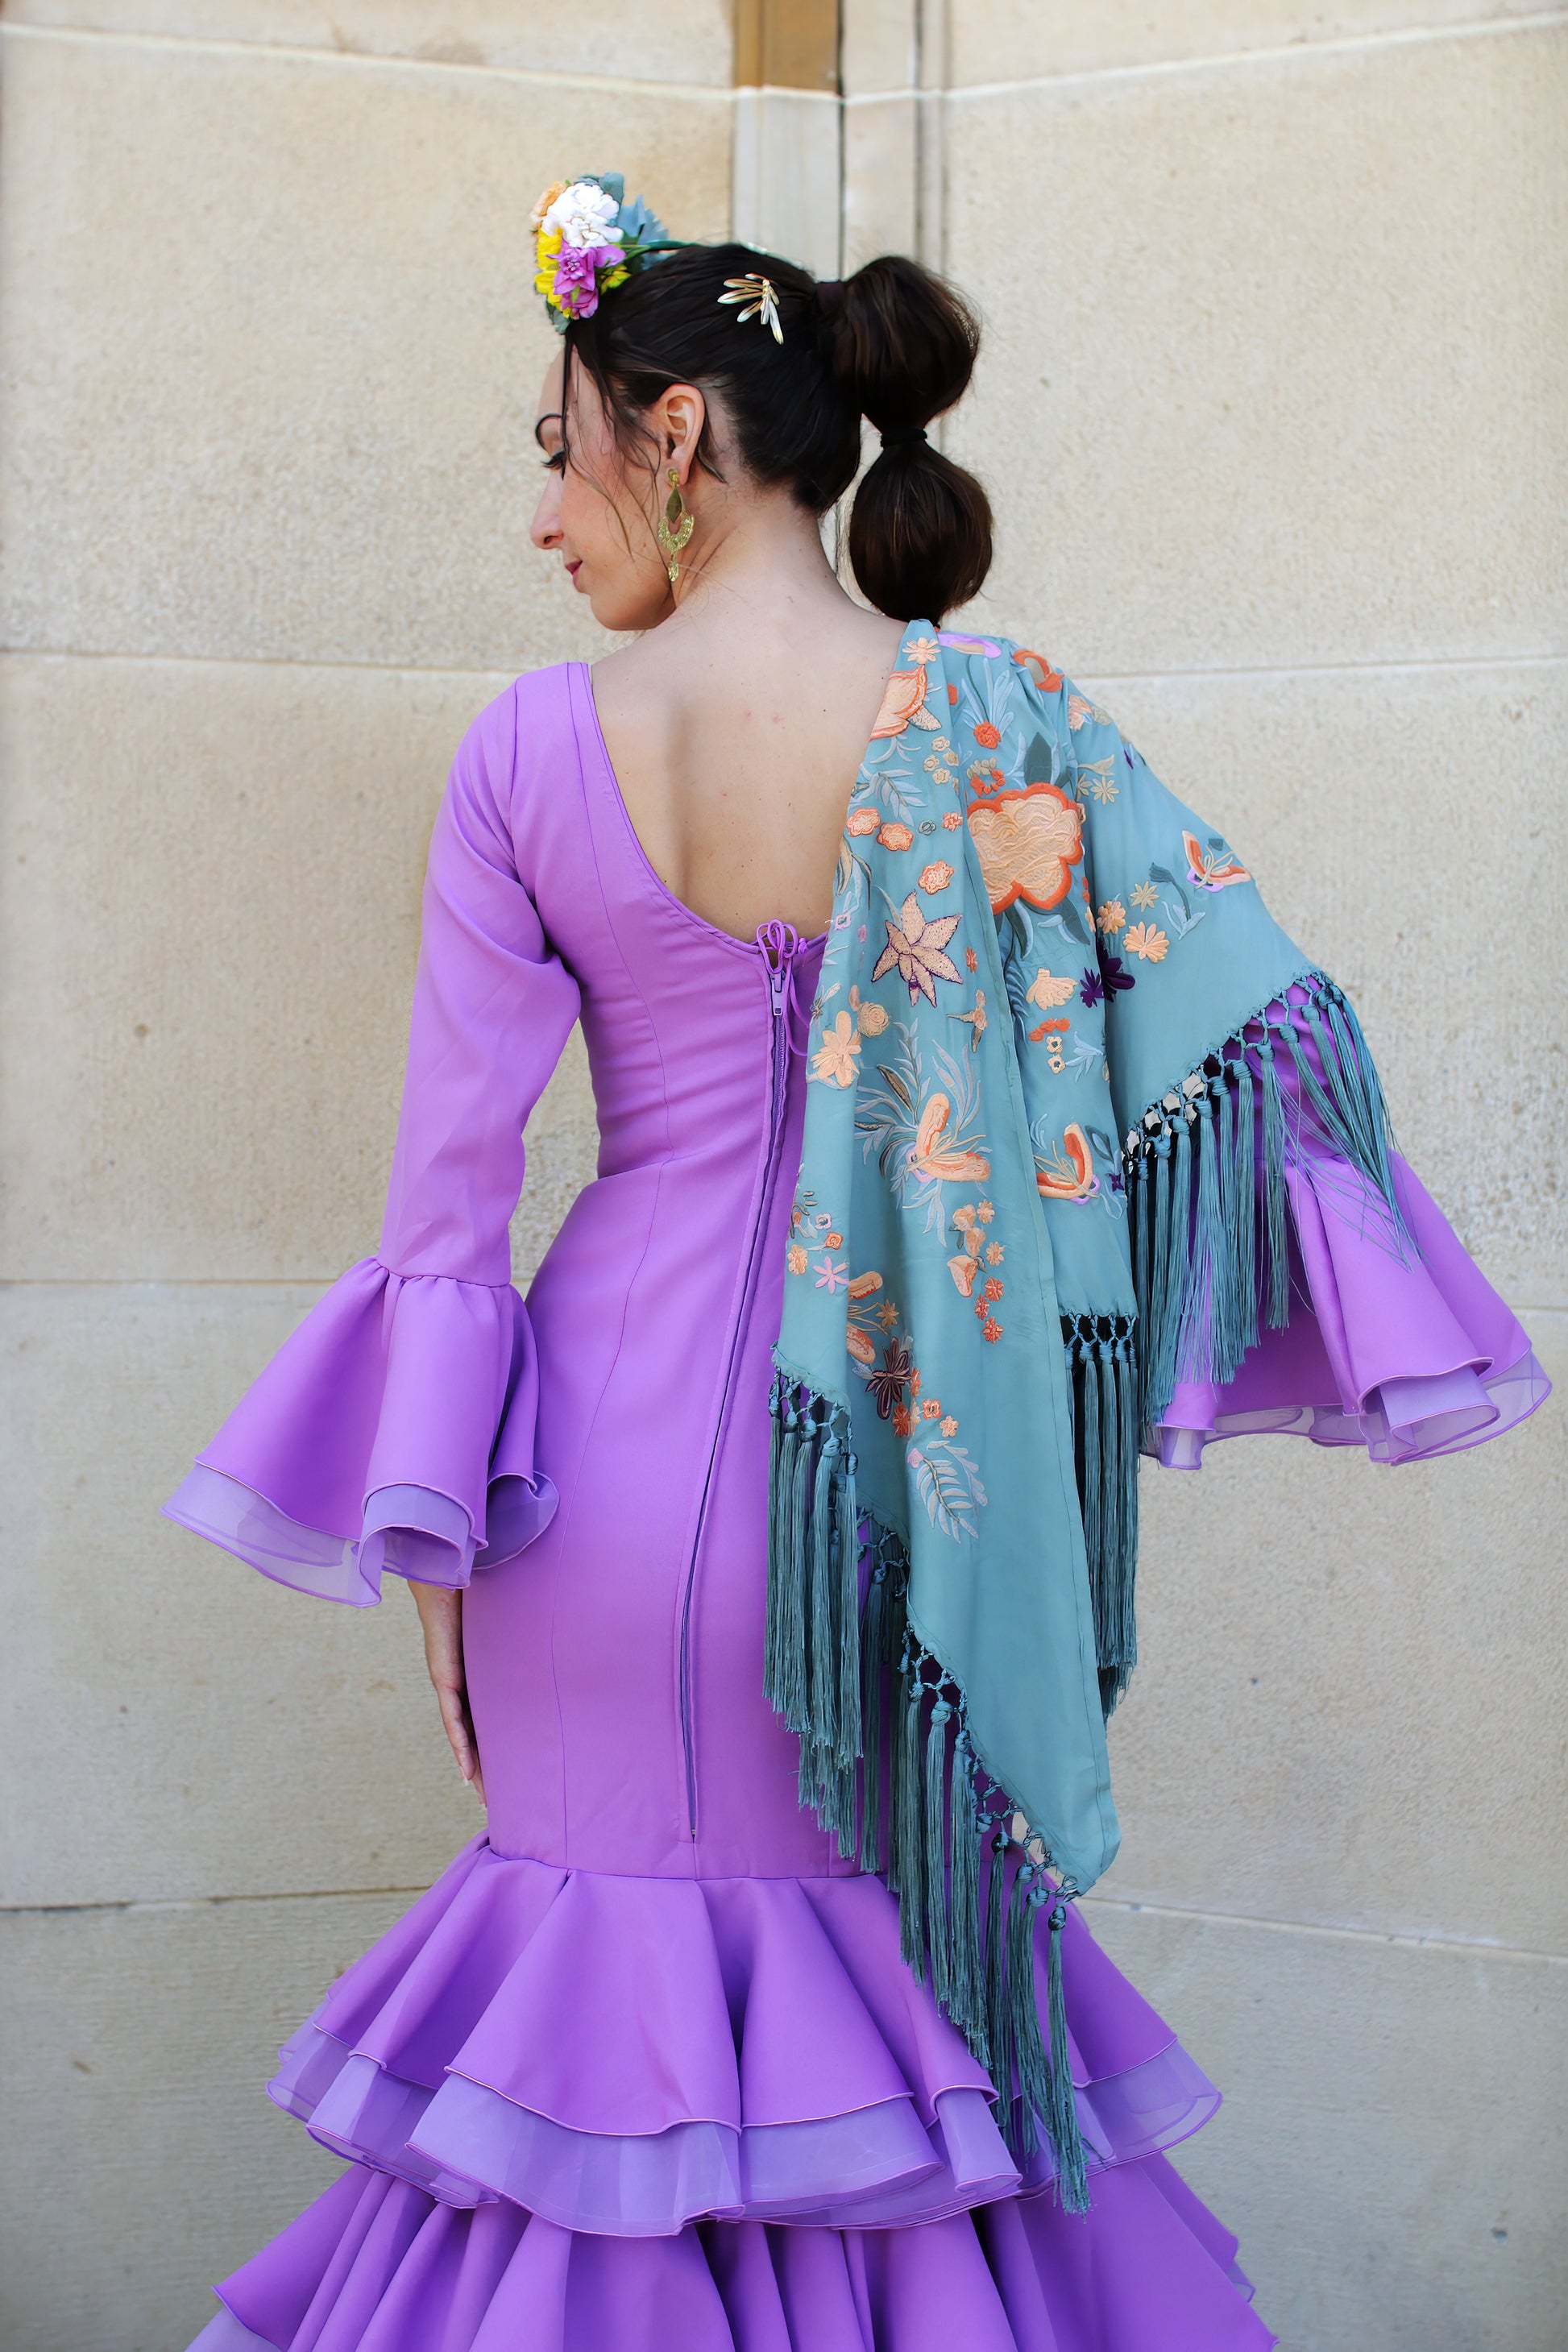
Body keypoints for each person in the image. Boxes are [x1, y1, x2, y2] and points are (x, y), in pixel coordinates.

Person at [165, 180, 1549, 2351]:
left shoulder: (533, 750)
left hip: (582, 1511)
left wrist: (434, 1557)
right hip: (908, 1487)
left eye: (562, 452)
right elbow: (1206, 1037)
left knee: (586, 2061)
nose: (546, 520)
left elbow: (445, 1209)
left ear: (682, 436)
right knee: (894, 2041)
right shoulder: (994, 729)